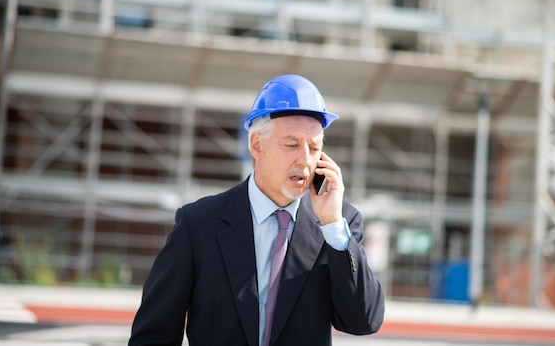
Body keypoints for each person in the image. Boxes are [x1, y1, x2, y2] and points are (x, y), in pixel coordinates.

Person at [129, 74, 385, 346]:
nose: (305, 159)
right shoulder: (198, 224)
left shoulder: (339, 225)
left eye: (314, 148)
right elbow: (153, 334)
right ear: (256, 145)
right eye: (292, 145)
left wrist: (333, 225)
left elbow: (364, 321)